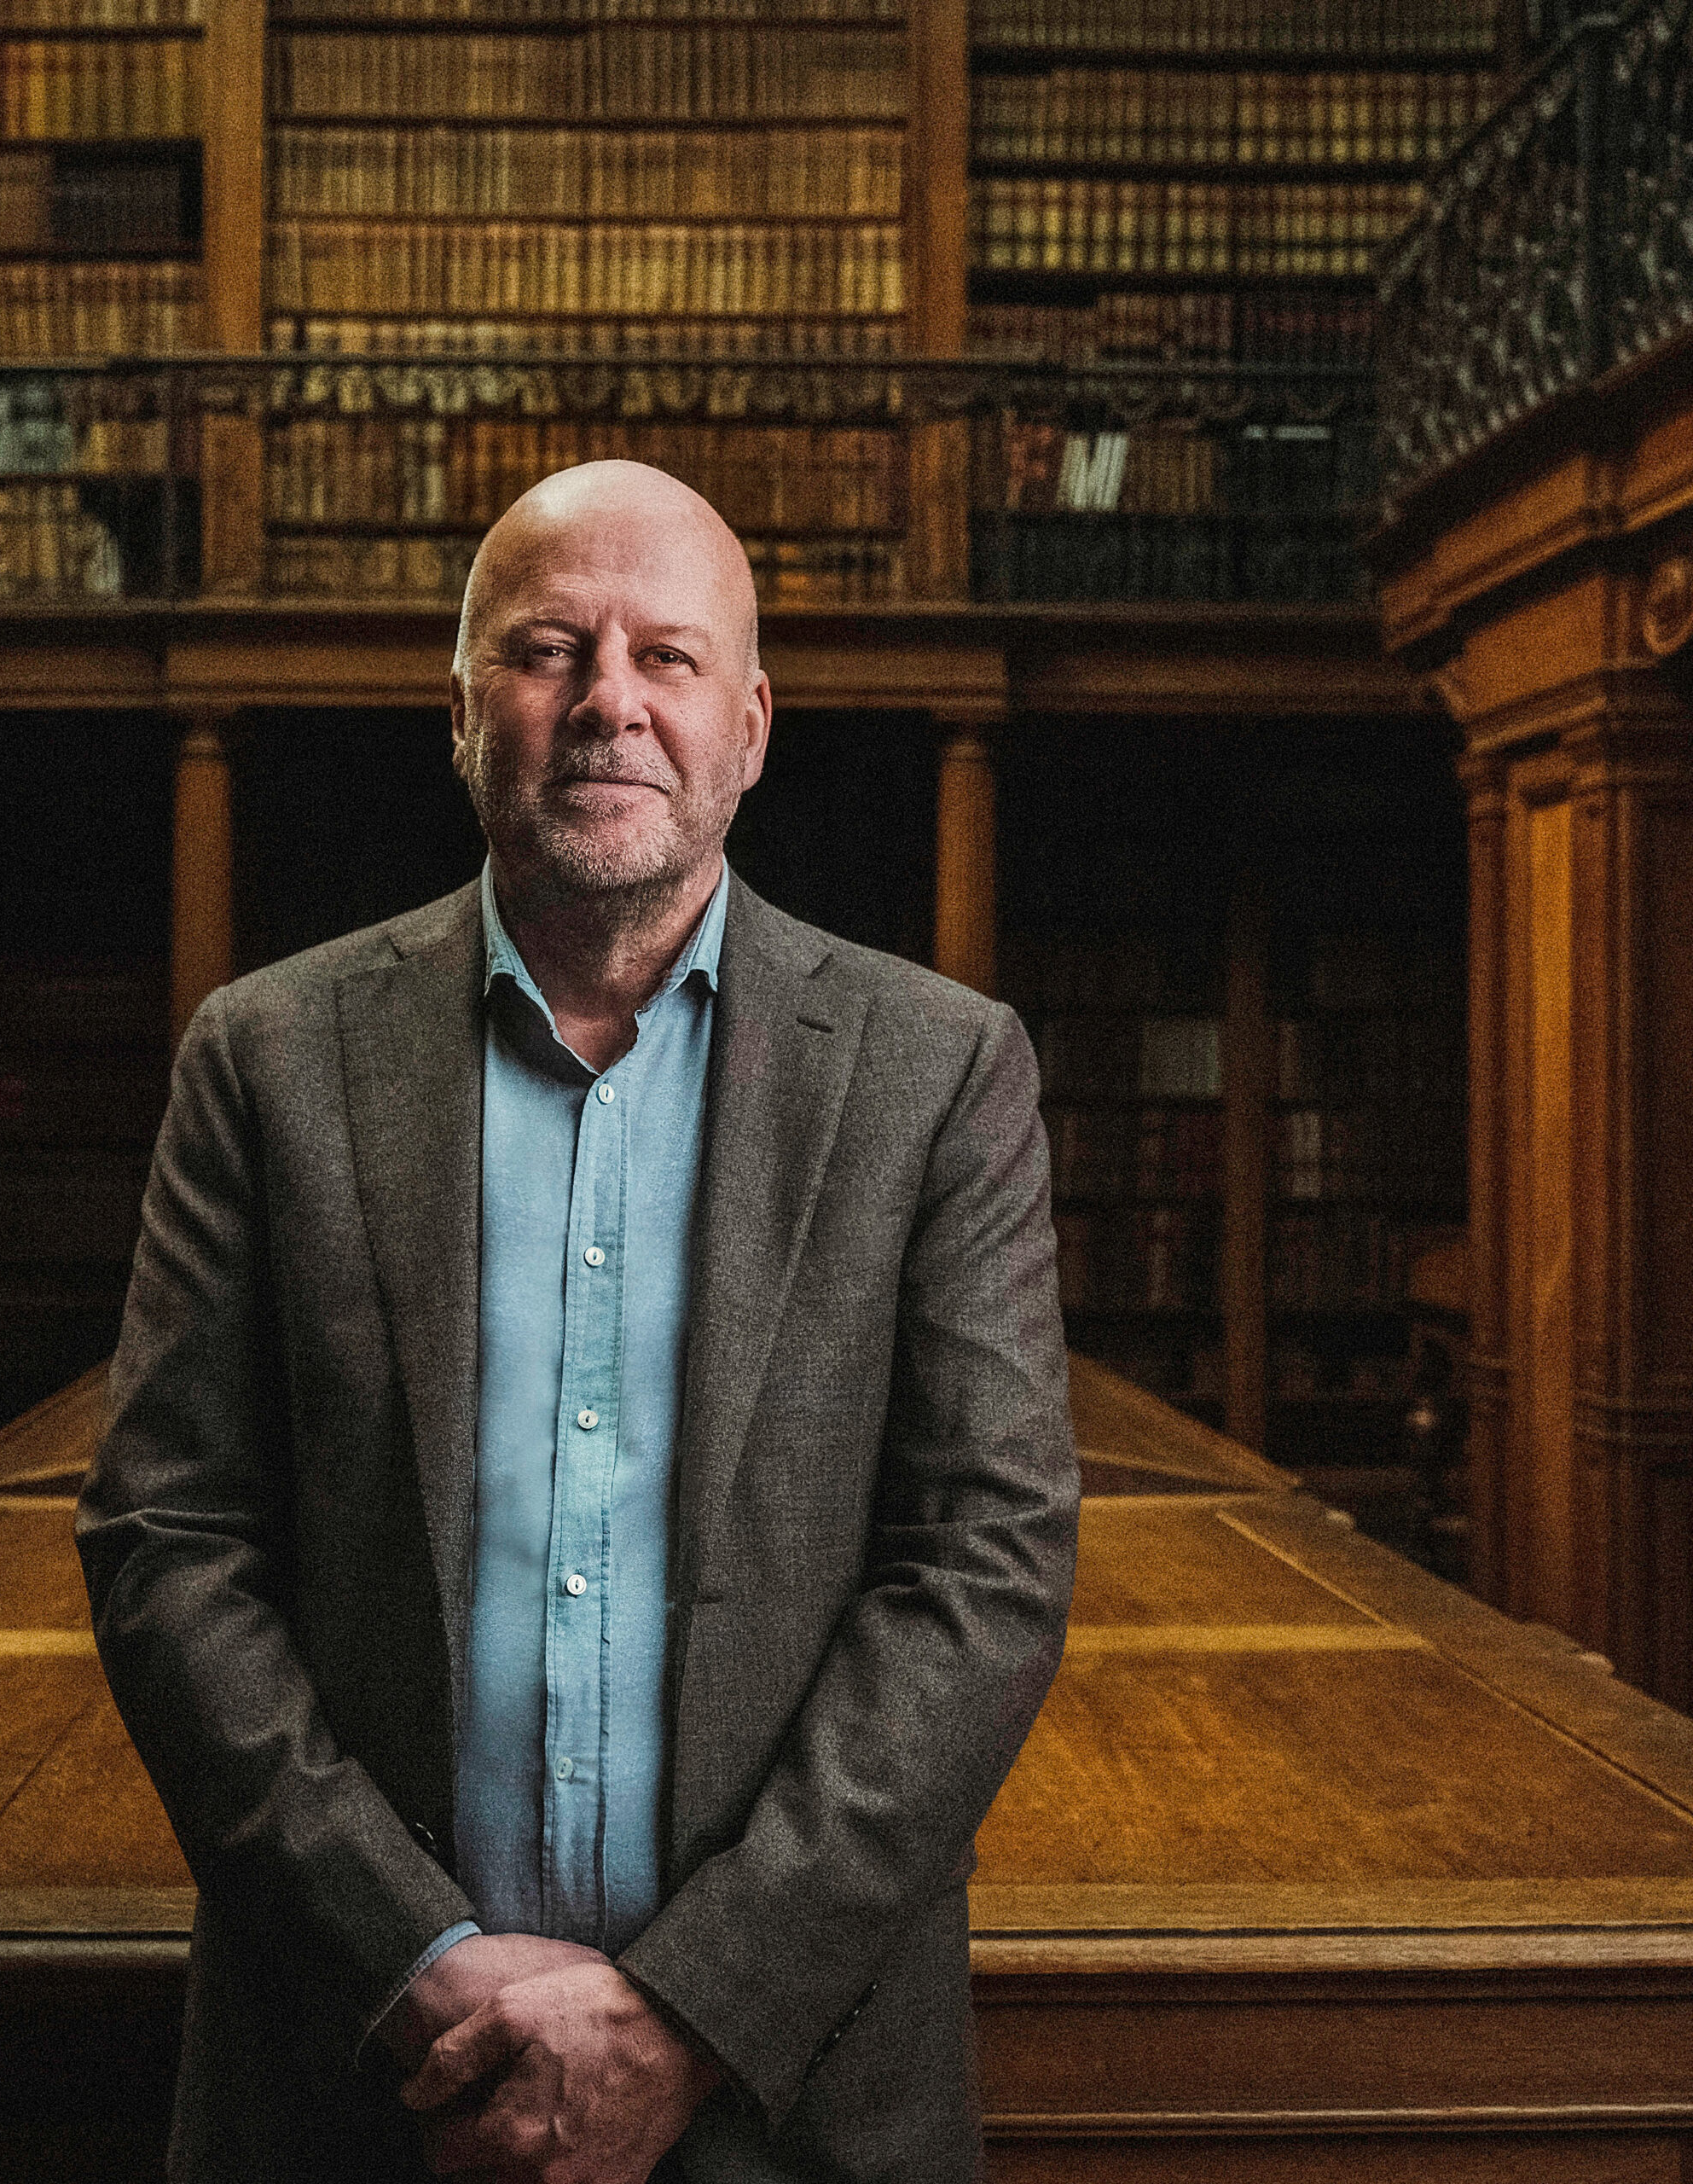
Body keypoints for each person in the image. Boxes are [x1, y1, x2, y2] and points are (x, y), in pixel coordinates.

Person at [77, 459, 1078, 2184]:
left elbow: (981, 1568)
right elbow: (170, 1538)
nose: (609, 696)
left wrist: (689, 2012)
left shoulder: (937, 1073)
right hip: (356, 2085)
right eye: (548, 647)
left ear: (749, 725)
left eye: (667, 657)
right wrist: (409, 1967)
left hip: (794, 2093)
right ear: (461, 714)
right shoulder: (267, 1059)